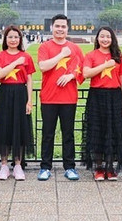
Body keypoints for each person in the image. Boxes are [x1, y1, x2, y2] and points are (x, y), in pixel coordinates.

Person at [37, 14, 84, 181]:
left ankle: (70, 167)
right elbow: (43, 66)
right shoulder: (45, 47)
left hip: (69, 98)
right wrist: (62, 55)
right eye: (57, 26)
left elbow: (82, 70)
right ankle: (45, 167)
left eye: (63, 27)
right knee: (48, 133)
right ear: (52, 27)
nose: (60, 29)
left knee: (68, 134)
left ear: (67, 28)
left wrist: (71, 76)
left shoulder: (75, 48)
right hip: (49, 98)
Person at [82, 26, 122, 181]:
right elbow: (86, 73)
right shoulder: (91, 55)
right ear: (97, 38)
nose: (105, 39)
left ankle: (111, 167)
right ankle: (99, 167)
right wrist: (104, 66)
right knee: (97, 131)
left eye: (108, 37)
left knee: (114, 131)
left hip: (115, 96)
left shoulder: (118, 57)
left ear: (112, 39)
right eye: (102, 36)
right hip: (97, 96)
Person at [0, 25, 35, 181]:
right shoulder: (0, 55)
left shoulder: (26, 57)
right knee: (4, 128)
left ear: (20, 39)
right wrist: (16, 63)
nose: (13, 40)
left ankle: (17, 165)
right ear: (5, 39)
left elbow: (29, 79)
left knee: (20, 128)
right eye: (10, 37)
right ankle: (4, 165)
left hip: (20, 94)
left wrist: (29, 101)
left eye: (16, 37)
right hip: (5, 93)